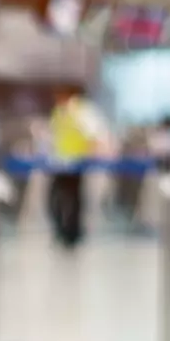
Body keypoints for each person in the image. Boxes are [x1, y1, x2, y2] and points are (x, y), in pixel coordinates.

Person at [46, 83, 111, 248]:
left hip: (76, 162)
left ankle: (71, 234)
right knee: (56, 198)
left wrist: (92, 153)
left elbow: (94, 134)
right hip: (59, 162)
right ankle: (62, 231)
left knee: (73, 199)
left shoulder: (82, 110)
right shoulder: (59, 111)